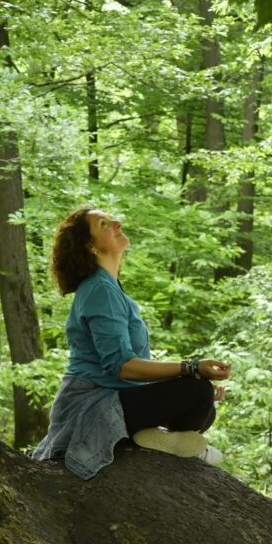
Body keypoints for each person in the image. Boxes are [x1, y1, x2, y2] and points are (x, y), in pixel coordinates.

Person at [31, 204, 231, 480]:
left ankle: (149, 435)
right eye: (103, 224)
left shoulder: (109, 287)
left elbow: (130, 372)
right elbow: (121, 367)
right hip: (92, 403)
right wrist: (191, 368)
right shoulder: (100, 289)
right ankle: (149, 435)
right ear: (90, 246)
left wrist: (193, 379)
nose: (116, 224)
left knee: (203, 402)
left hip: (116, 395)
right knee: (196, 393)